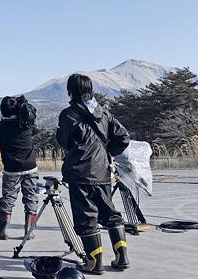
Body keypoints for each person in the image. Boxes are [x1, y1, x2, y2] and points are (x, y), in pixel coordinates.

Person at [57, 74, 131, 274]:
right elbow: (123, 137)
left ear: (70, 92)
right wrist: (108, 153)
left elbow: (63, 141)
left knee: (86, 217)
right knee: (110, 213)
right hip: (102, 172)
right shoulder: (104, 113)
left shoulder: (68, 114)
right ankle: (122, 257)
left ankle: (94, 263)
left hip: (79, 173)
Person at [0, 95, 40, 240]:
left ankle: (2, 231)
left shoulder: (0, 129)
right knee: (31, 198)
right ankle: (28, 231)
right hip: (31, 166)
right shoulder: (27, 126)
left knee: (8, 198)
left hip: (11, 168)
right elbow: (33, 128)